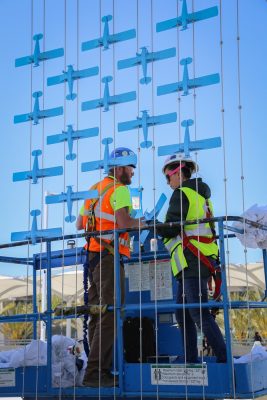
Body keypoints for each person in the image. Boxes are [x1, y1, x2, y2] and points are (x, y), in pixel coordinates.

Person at [76, 147, 144, 387]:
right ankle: (95, 374)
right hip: (108, 258)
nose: (132, 174)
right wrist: (144, 223)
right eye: (130, 168)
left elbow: (79, 224)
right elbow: (124, 223)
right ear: (119, 168)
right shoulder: (120, 189)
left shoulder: (94, 189)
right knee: (111, 313)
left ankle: (91, 372)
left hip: (93, 257)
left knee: (98, 314)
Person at [156, 154, 227, 363]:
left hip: (193, 260)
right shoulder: (202, 197)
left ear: (177, 173)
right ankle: (189, 358)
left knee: (197, 312)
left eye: (168, 178)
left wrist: (149, 225)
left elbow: (171, 228)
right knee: (183, 313)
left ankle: (224, 358)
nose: (168, 183)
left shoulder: (181, 193)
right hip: (197, 259)